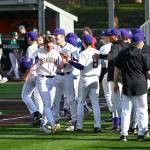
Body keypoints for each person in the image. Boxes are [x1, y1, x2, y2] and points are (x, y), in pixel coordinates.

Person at [114, 31, 149, 141]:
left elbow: (117, 69)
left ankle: (124, 134)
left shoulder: (123, 52)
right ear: (140, 42)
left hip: (127, 84)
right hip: (140, 84)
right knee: (142, 109)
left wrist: (115, 83)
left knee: (126, 110)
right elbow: (148, 72)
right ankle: (141, 134)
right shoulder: (143, 54)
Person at [66, 34, 101, 132]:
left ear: (84, 43)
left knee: (80, 102)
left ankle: (79, 127)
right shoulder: (98, 52)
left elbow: (81, 67)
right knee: (95, 103)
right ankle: (97, 126)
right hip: (95, 78)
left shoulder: (83, 53)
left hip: (85, 78)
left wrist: (70, 61)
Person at [30, 36, 62, 133]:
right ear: (43, 45)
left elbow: (61, 66)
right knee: (47, 103)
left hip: (52, 79)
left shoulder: (55, 52)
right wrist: (39, 63)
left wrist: (56, 62)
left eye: (51, 46)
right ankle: (53, 124)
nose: (49, 48)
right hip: (42, 79)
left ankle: (43, 125)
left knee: (50, 104)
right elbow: (31, 67)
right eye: (47, 46)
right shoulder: (38, 52)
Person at [52, 28, 78, 131]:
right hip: (57, 75)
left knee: (71, 99)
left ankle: (75, 122)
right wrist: (58, 64)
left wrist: (68, 62)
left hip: (68, 75)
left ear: (62, 36)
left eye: (56, 35)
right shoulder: (54, 47)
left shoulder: (72, 48)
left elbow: (77, 61)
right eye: (54, 35)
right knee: (55, 100)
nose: (55, 37)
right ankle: (55, 122)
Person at [21, 31, 42, 126]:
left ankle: (36, 113)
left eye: (28, 37)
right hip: (40, 74)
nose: (27, 39)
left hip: (32, 74)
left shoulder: (30, 48)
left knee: (25, 95)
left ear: (30, 38)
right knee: (38, 98)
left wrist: (26, 75)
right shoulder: (40, 47)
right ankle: (39, 118)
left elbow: (30, 64)